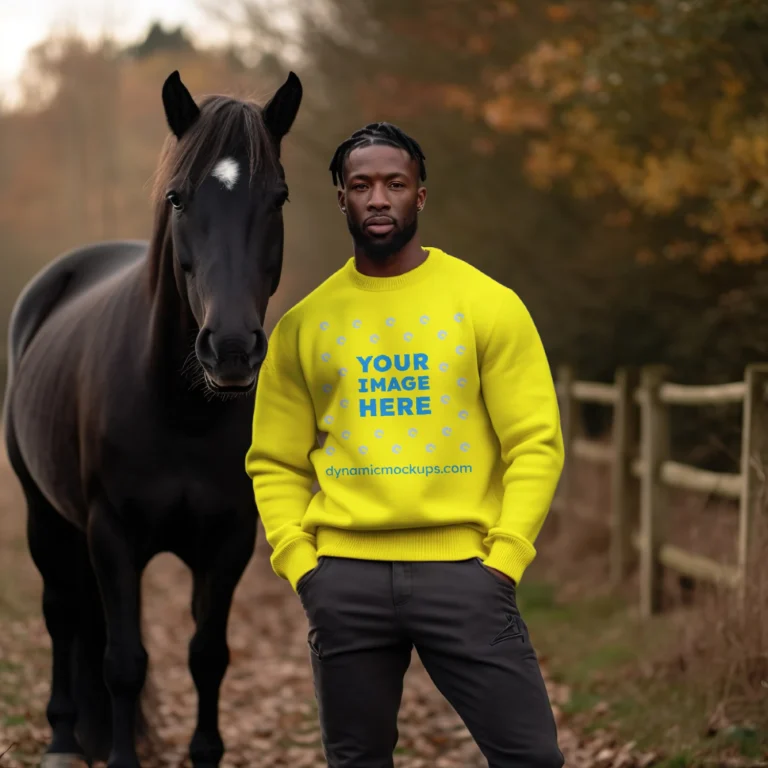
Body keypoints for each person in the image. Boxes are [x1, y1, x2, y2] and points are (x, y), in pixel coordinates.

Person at [245, 122, 566, 768]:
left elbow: (534, 442)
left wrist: (504, 560)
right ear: (340, 197)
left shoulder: (487, 306)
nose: (379, 198)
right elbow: (274, 462)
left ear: (421, 195)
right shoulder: (304, 326)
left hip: (467, 576)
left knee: (533, 759)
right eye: (361, 185)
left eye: (395, 183)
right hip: (344, 583)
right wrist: (303, 567)